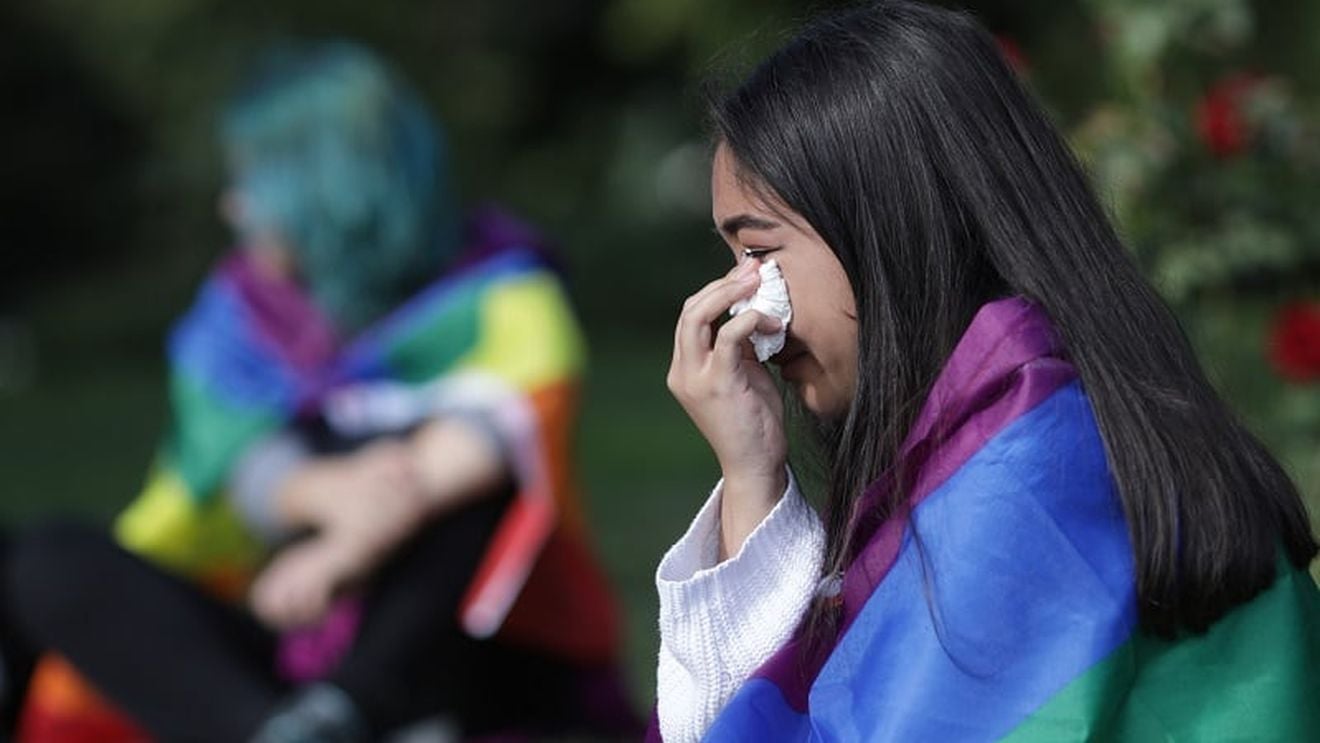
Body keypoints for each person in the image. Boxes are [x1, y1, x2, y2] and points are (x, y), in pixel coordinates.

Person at [656, 2, 1320, 741]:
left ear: (891, 222)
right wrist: (752, 473)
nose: (739, 304)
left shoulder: (1033, 474)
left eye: (758, 252)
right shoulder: (1043, 428)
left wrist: (751, 490)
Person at [0, 41, 634, 742]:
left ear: (334, 183)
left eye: (252, 180)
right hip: (275, 621)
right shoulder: (235, 315)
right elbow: (233, 458)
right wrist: (326, 491)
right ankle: (279, 729)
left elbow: (507, 423)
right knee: (43, 557)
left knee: (466, 489)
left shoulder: (498, 290)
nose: (231, 203)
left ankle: (351, 708)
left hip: (452, 650)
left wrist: (353, 540)